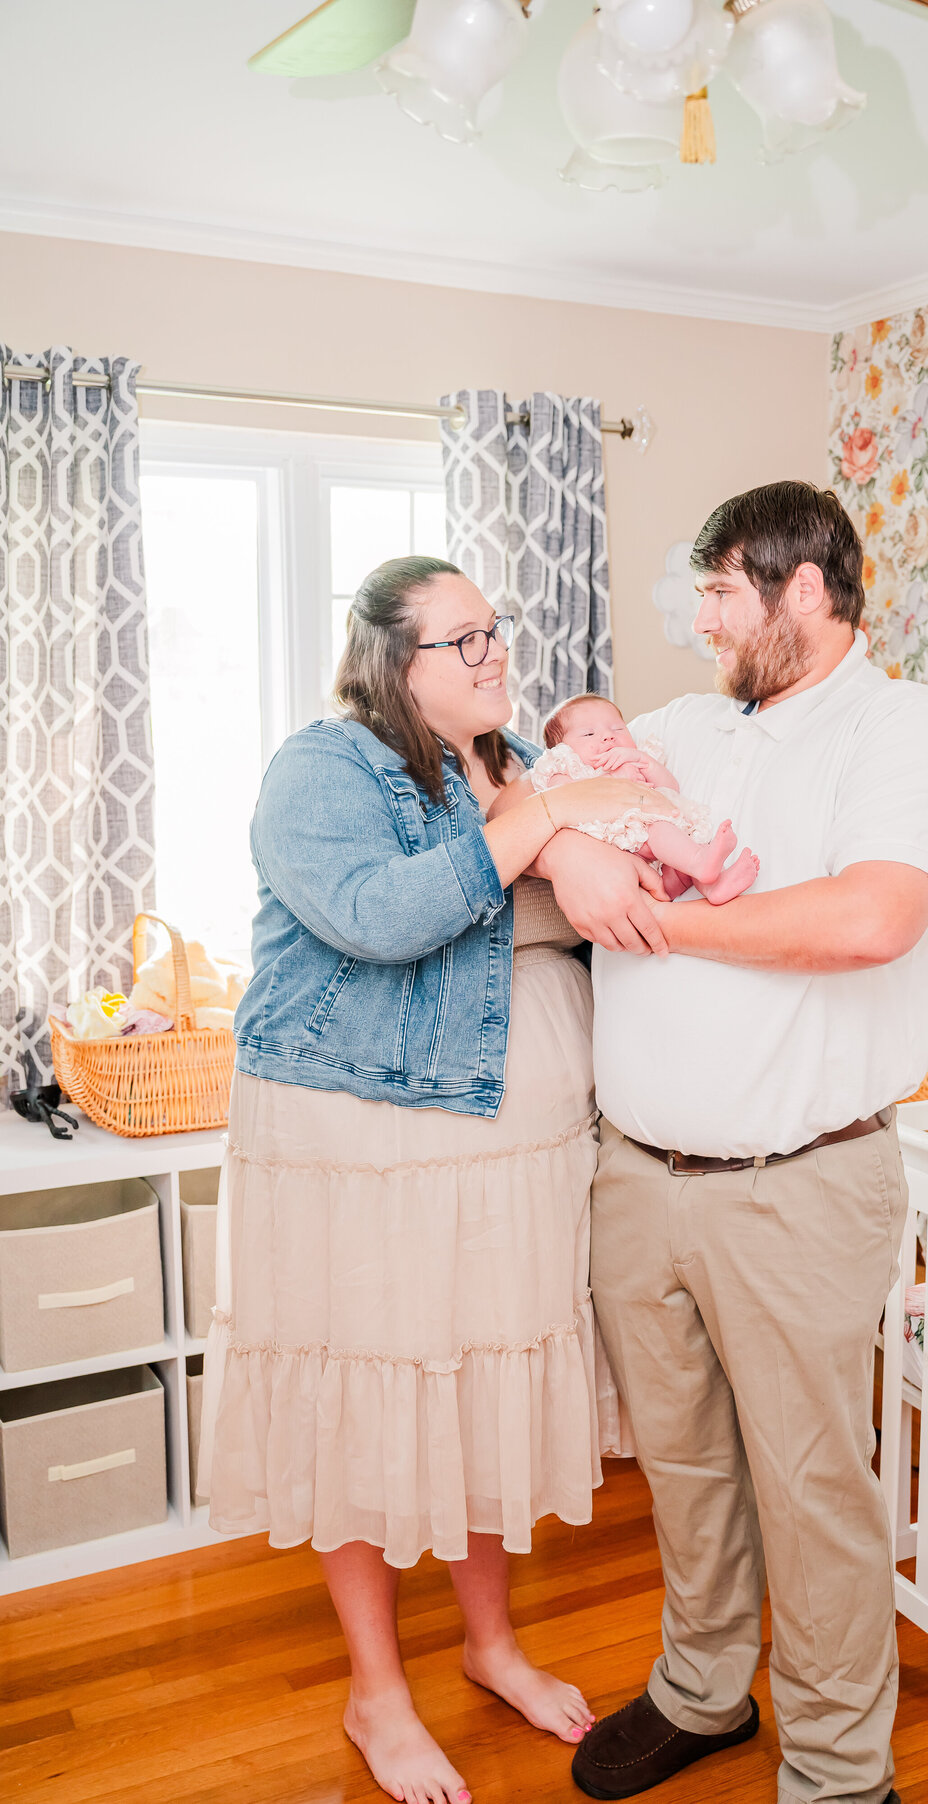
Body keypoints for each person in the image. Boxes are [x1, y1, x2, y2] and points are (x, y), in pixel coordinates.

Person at [197, 555, 667, 1804]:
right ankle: (377, 1691)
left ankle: (492, 1642)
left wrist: (572, 836)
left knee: (468, 1391)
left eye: (494, 632)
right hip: (361, 1140)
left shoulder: (510, 763)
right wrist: (541, 830)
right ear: (389, 661)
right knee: (369, 1385)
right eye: (461, 642)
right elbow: (381, 916)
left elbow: (551, 914)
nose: (493, 655)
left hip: (506, 1143)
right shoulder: (321, 768)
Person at [571, 482, 928, 1804]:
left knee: (813, 1495)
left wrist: (653, 917)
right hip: (638, 1176)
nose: (698, 619)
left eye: (720, 592)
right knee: (687, 1471)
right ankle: (702, 1693)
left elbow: (868, 920)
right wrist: (574, 859)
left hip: (798, 1186)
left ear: (804, 588)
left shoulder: (907, 729)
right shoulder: (684, 724)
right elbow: (544, 805)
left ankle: (838, 1769)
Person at [505, 692, 759, 902]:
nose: (608, 736)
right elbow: (566, 800)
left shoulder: (636, 757)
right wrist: (613, 781)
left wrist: (642, 761)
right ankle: (700, 863)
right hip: (615, 848)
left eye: (617, 728)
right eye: (589, 734)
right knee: (659, 830)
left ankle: (712, 886)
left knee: (683, 846)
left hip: (657, 862)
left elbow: (671, 789)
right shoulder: (566, 767)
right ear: (562, 749)